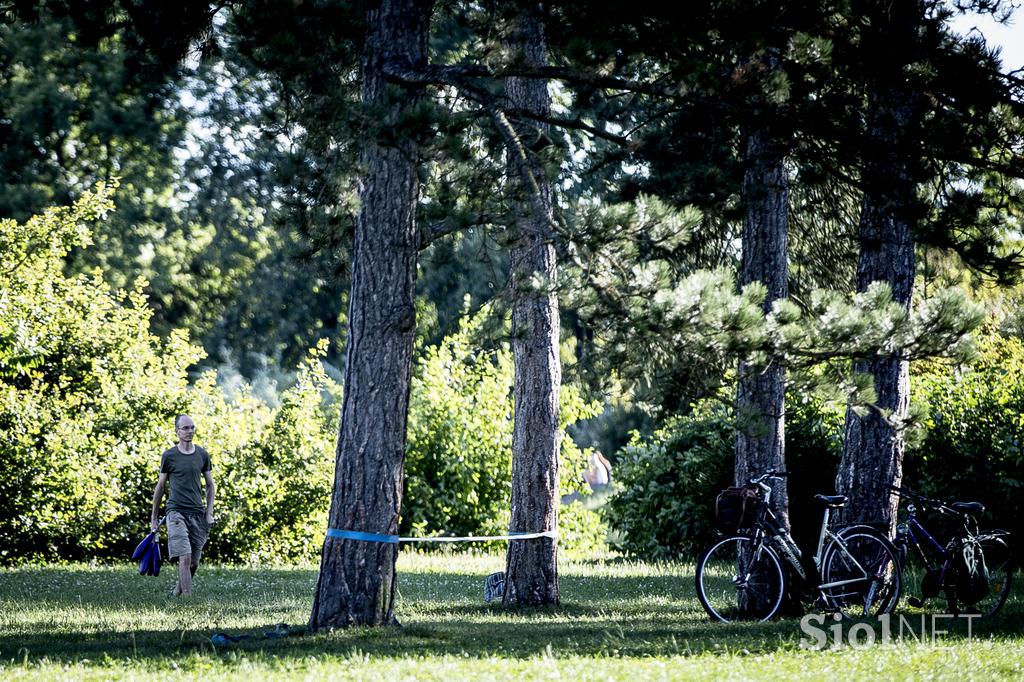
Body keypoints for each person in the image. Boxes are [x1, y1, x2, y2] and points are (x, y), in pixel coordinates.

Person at [150, 414, 215, 597]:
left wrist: (209, 512)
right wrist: (154, 518)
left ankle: (176, 593)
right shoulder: (169, 456)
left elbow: (210, 484)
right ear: (177, 431)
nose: (190, 431)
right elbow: (161, 487)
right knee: (184, 557)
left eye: (192, 427)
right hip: (175, 512)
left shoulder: (202, 454)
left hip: (197, 514)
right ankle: (187, 599)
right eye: (185, 428)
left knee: (193, 563)